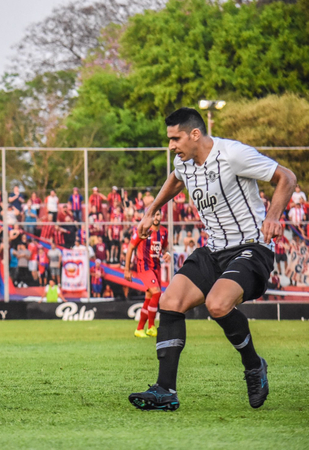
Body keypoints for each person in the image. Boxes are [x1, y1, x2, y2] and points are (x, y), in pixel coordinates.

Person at [128, 107, 296, 412]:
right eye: (169, 139)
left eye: (175, 138)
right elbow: (176, 180)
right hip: (213, 250)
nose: (171, 146)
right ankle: (165, 390)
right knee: (170, 302)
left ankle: (254, 365)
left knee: (217, 304)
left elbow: (286, 176)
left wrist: (273, 216)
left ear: (195, 134)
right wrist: (152, 209)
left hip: (251, 248)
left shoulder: (233, 154)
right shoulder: (185, 161)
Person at [124, 210, 169, 338]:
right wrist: (127, 269)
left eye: (158, 214)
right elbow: (130, 247)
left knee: (149, 298)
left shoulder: (164, 232)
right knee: (157, 292)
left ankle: (139, 329)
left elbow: (165, 247)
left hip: (156, 267)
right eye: (153, 214)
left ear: (161, 216)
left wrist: (167, 253)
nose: (156, 217)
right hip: (144, 267)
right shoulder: (143, 230)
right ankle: (151, 327)